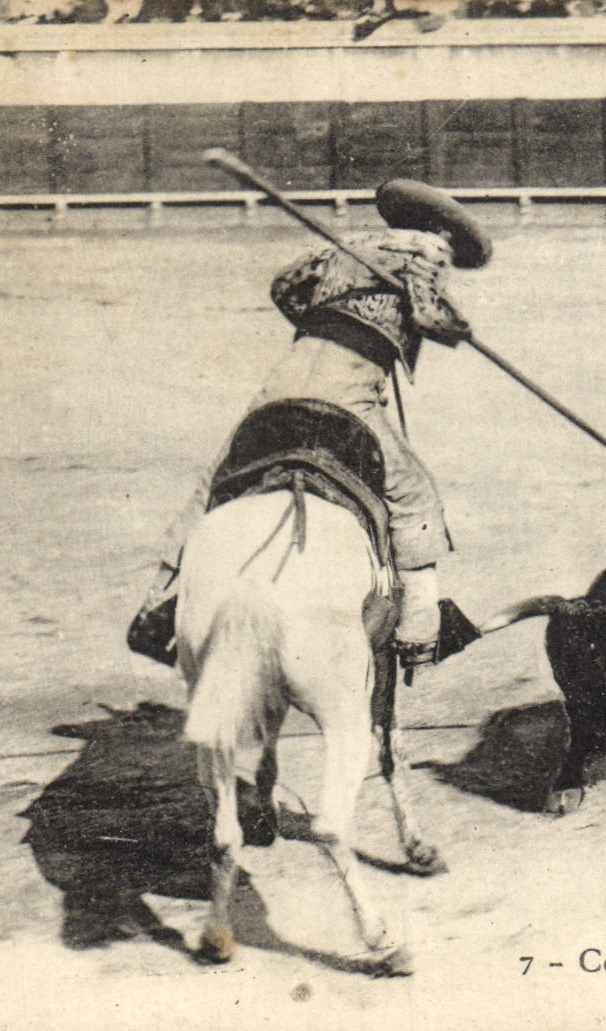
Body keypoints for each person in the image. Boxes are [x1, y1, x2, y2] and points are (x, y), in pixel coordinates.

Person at [128, 178, 491, 672]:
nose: (449, 249)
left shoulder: (348, 246)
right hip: (348, 392)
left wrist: (326, 316)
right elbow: (430, 314)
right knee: (414, 492)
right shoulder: (428, 251)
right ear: (439, 229)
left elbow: (284, 286)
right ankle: (421, 629)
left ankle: (158, 605)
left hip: (282, 383)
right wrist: (458, 330)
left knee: (216, 481)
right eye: (450, 239)